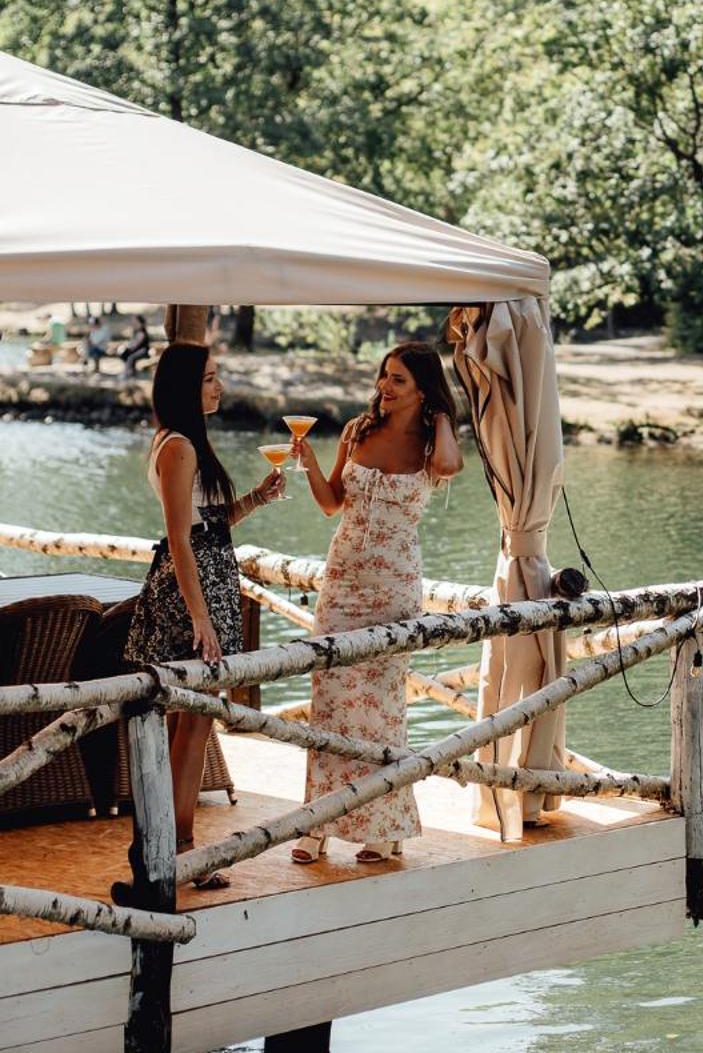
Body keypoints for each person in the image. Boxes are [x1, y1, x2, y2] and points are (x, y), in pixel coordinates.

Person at [117, 343, 285, 896]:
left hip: (205, 586)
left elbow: (210, 526)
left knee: (189, 726)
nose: (219, 387)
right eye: (211, 378)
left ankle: (165, 845)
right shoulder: (179, 447)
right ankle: (178, 850)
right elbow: (181, 542)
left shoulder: (187, 444)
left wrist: (257, 498)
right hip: (190, 595)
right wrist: (202, 619)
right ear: (187, 386)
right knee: (190, 726)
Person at [289, 342, 463, 864]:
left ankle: (384, 829)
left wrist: (439, 417)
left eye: (400, 381)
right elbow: (329, 504)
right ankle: (316, 824)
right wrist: (310, 463)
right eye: (385, 376)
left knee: (382, 709)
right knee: (331, 701)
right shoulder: (357, 431)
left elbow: (452, 466)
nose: (385, 387)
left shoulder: (434, 445)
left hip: (394, 585)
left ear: (424, 391)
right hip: (342, 580)